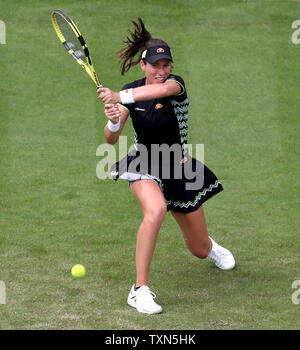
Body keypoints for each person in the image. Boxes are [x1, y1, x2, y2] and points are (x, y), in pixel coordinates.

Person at [97, 18, 235, 315]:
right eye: (156, 65)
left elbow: (157, 92)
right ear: (143, 66)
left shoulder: (175, 86)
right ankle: (139, 290)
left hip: (179, 165)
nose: (162, 71)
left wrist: (120, 97)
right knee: (156, 210)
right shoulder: (130, 91)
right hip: (144, 161)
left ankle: (209, 247)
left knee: (198, 249)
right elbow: (110, 140)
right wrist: (112, 117)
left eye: (166, 64)